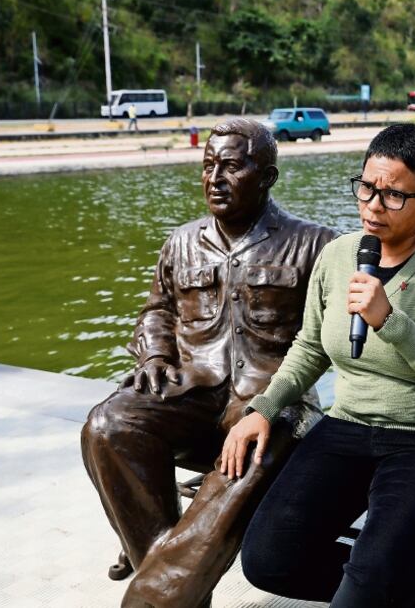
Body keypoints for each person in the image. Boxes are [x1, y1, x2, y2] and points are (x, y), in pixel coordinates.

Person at [230, 124, 415, 608]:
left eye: (394, 195)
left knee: (367, 584)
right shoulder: (337, 256)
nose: (373, 204)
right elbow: (310, 345)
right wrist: (263, 408)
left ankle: (376, 586)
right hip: (348, 427)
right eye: (367, 188)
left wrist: (390, 320)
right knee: (267, 558)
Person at [81, 117, 337, 607]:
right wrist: (155, 352)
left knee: (246, 455)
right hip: (191, 394)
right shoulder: (181, 241)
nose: (215, 179)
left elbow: (386, 277)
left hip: (271, 405)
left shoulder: (314, 243)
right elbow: (157, 310)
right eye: (208, 165)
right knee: (107, 424)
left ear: (267, 177)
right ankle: (161, 564)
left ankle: (151, 584)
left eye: (232, 167)